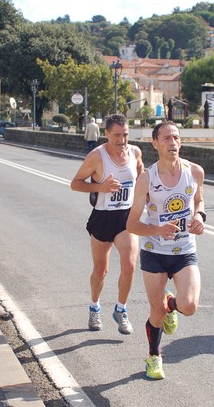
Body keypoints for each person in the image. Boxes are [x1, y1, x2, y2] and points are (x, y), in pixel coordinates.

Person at [127, 121, 206, 380]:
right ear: (155, 144)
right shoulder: (146, 180)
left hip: (184, 249)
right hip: (154, 250)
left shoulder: (194, 172)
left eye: (176, 138)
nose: (173, 143)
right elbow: (132, 223)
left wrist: (200, 217)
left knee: (190, 305)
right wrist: (157, 230)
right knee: (156, 312)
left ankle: (172, 304)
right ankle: (154, 357)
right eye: (166, 138)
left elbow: (199, 200)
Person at [71, 114, 144, 334]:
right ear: (106, 134)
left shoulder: (135, 153)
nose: (122, 140)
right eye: (117, 135)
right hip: (103, 217)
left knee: (130, 265)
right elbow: (75, 184)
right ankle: (95, 306)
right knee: (101, 270)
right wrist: (99, 187)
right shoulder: (97, 156)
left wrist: (148, 204)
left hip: (126, 218)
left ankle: (121, 309)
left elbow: (141, 178)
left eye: (125, 135)